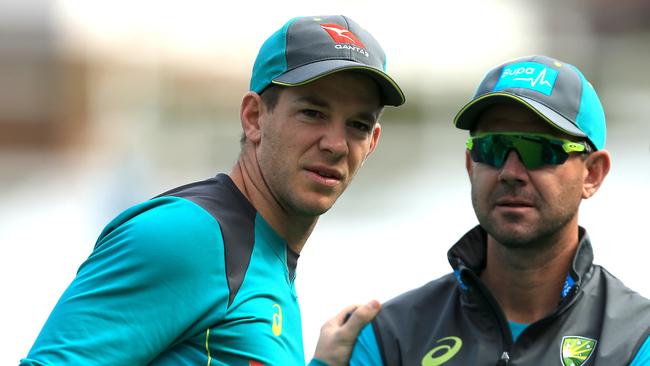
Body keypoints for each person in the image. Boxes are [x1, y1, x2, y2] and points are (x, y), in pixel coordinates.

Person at [20, 15, 404, 365]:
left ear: (372, 143)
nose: (336, 144)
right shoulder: (189, 236)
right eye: (313, 113)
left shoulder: (266, 254)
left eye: (357, 125)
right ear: (254, 118)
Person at [348, 55, 650, 365]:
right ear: (470, 165)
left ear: (593, 174)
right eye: (492, 148)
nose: (510, 172)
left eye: (539, 149)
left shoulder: (636, 341)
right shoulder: (389, 338)